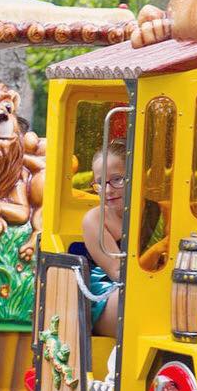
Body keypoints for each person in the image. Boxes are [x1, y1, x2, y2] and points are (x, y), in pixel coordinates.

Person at [81, 140, 127, 337]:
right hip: (108, 293)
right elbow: (119, 273)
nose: (108, 190)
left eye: (117, 179)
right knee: (133, 297)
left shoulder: (160, 212)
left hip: (153, 285)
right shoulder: (95, 219)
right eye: (100, 183)